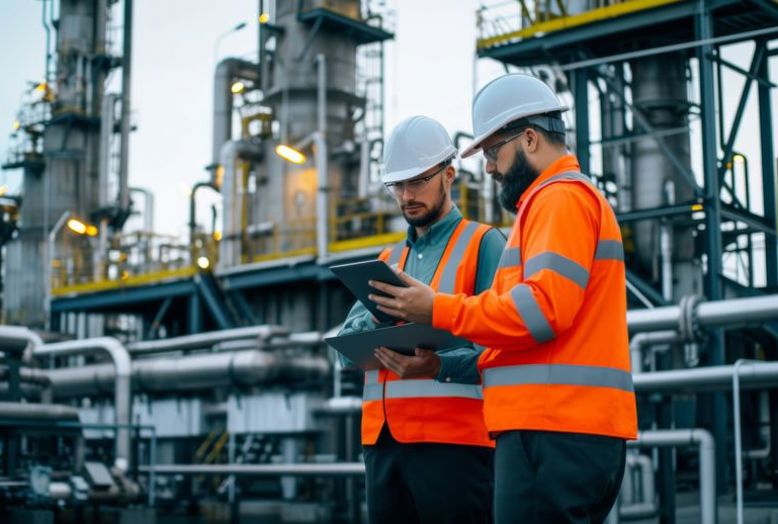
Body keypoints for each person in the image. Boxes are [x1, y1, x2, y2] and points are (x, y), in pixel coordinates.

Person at [367, 75, 638, 523]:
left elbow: (540, 310)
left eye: (493, 152)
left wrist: (435, 308)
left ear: (529, 139)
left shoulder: (559, 199)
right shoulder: (553, 204)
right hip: (563, 427)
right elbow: (523, 326)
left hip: (553, 427)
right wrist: (444, 362)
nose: (490, 168)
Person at [337, 115, 505, 524]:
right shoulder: (388, 260)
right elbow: (344, 352)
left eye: (417, 182)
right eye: (397, 185)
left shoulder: (484, 244)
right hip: (382, 444)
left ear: (449, 175)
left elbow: (503, 348)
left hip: (455, 445)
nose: (406, 195)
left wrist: (439, 366)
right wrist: (379, 323)